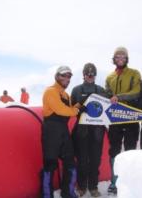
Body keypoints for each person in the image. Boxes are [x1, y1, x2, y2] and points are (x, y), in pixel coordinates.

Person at [105, 46, 141, 195]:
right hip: (115, 119)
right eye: (117, 57)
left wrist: (119, 97)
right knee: (114, 151)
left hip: (131, 117)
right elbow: (107, 94)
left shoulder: (134, 73)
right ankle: (114, 181)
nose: (120, 59)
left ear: (126, 59)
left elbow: (136, 92)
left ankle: (129, 184)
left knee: (130, 150)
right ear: (114, 59)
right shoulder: (109, 77)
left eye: (123, 57)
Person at [41, 65, 81, 198]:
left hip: (63, 131)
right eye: (63, 75)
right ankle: (47, 195)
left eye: (69, 76)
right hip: (51, 132)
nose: (67, 78)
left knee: (70, 162)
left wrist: (79, 106)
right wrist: (75, 110)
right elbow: (60, 109)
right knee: (50, 164)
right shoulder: (50, 91)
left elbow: (68, 110)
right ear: (57, 76)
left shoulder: (65, 94)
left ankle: (68, 193)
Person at [71, 63, 106, 197]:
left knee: (95, 160)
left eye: (92, 74)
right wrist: (79, 107)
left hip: (97, 131)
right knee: (81, 160)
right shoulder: (76, 90)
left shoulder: (101, 89)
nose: (90, 76)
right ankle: (81, 186)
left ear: (95, 75)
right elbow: (72, 108)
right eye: (87, 74)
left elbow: (108, 107)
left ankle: (93, 187)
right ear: (83, 75)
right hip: (82, 130)